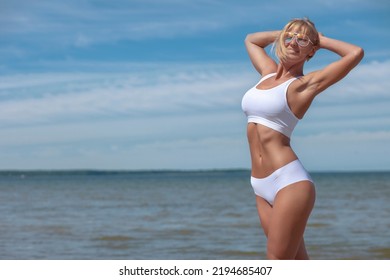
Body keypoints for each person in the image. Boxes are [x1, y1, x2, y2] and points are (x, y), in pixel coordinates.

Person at [241, 18, 363, 259]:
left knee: (277, 261)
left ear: (312, 50)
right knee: (297, 263)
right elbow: (251, 40)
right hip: (259, 184)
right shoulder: (265, 74)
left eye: (302, 40)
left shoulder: (305, 85)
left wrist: (318, 39)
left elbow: (355, 53)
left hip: (289, 182)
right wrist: (289, 33)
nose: (294, 43)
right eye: (290, 37)